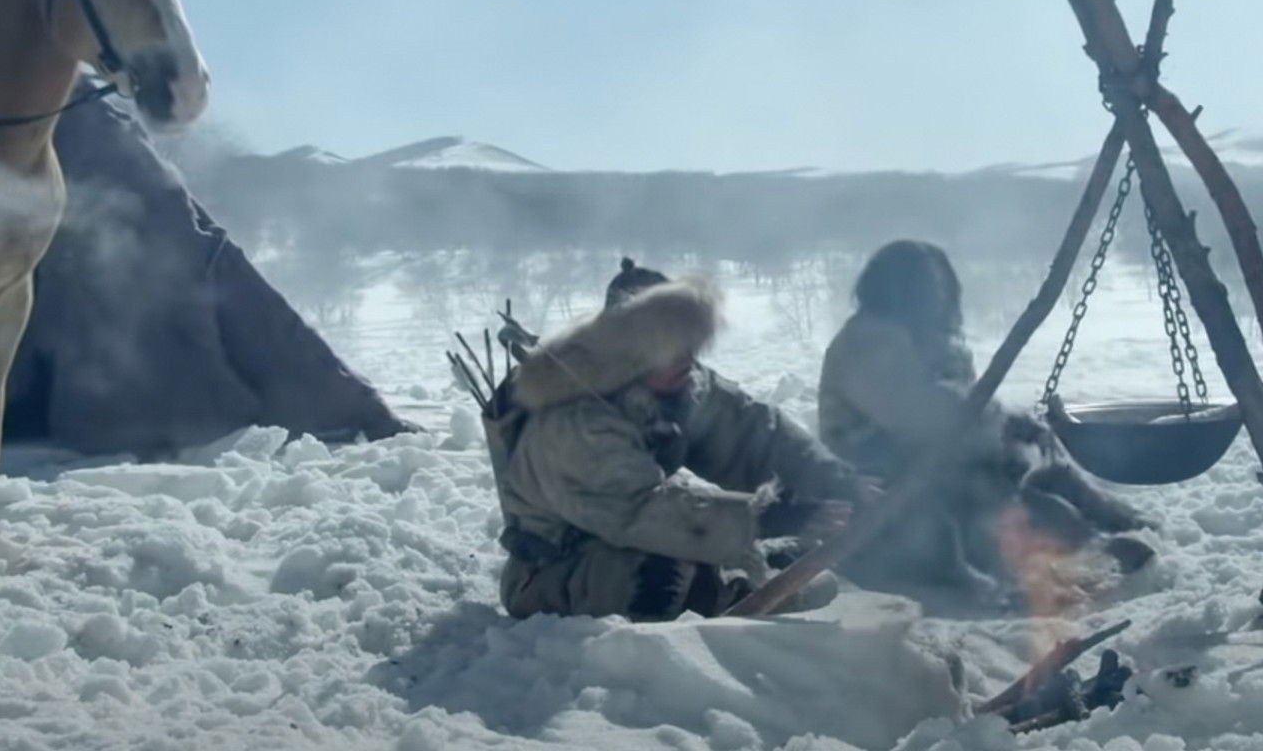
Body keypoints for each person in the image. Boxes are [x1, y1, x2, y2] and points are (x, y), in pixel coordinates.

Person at [495, 260, 872, 621]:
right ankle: (726, 603)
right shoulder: (576, 418)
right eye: (669, 342)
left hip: (632, 540)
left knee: (705, 551)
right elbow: (639, 511)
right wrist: (763, 517)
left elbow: (753, 434)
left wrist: (830, 479)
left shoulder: (676, 381)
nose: (687, 356)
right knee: (665, 574)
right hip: (557, 571)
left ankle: (739, 580)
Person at [818, 240, 1156, 605]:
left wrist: (1008, 430)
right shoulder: (867, 342)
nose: (936, 296)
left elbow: (965, 409)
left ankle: (1094, 535)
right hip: (884, 482)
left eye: (940, 285)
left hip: (944, 465)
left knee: (1040, 478)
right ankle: (1041, 569)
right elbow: (924, 416)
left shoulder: (938, 344)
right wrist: (994, 426)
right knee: (982, 508)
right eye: (925, 286)